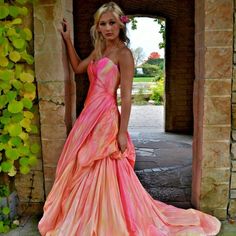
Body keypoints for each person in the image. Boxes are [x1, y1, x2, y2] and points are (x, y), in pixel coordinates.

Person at [38, 2, 221, 235]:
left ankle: (108, 216)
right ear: (98, 27)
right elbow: (76, 68)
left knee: (102, 161)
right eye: (102, 24)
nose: (107, 28)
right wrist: (66, 40)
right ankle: (90, 215)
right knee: (82, 163)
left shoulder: (124, 54)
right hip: (88, 115)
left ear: (121, 24)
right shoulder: (99, 49)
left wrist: (122, 132)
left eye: (112, 23)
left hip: (106, 115)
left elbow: (126, 98)